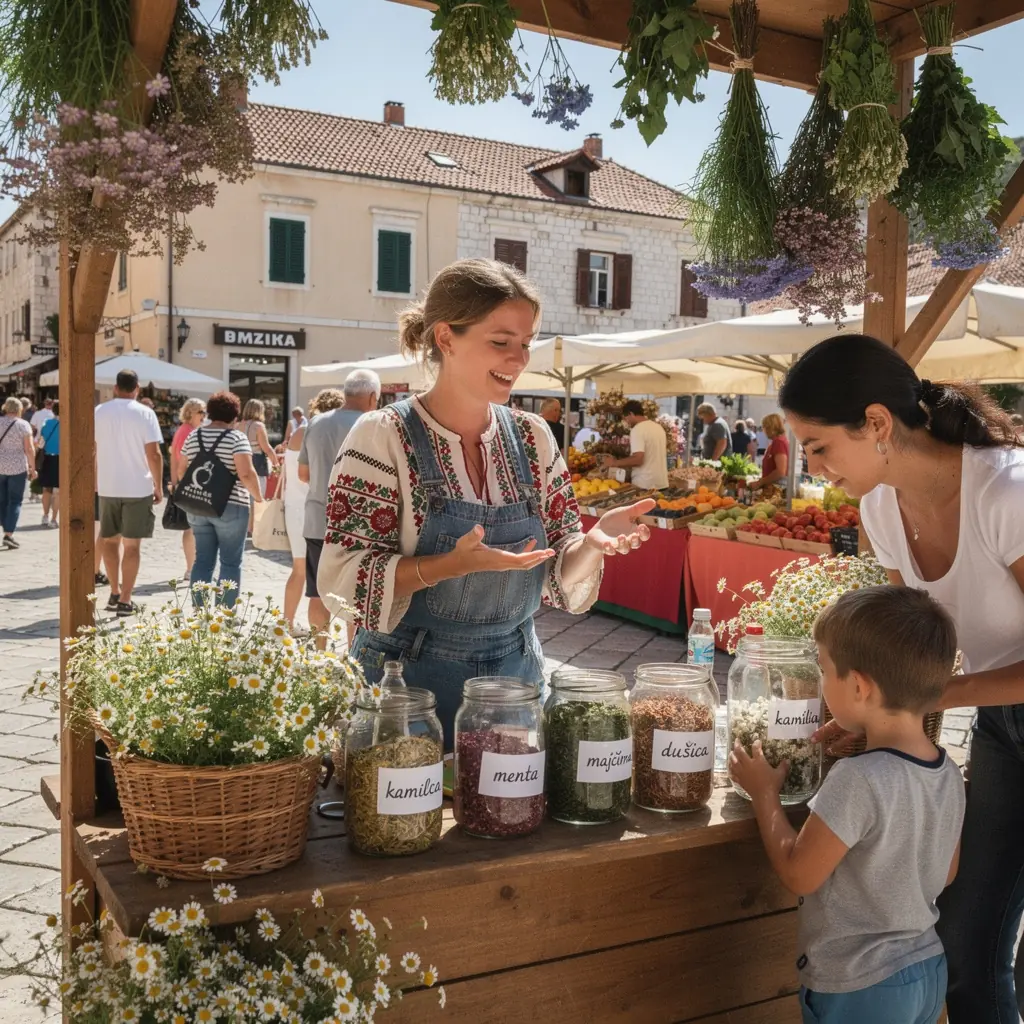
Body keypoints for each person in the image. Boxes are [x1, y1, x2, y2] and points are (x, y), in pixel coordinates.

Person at [778, 333, 1024, 1023]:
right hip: (1003, 724)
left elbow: (934, 682)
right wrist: (875, 720)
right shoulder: (880, 508)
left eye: (819, 446)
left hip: (990, 704)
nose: (813, 466)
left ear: (877, 423)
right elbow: (908, 651)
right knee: (966, 945)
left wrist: (941, 695)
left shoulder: (1007, 493)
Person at [317, 258, 654, 740]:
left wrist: (592, 544)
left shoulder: (534, 438)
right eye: (501, 342)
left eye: (526, 343)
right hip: (404, 686)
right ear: (446, 337)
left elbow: (557, 571)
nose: (519, 360)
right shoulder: (382, 435)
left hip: (514, 682)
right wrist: (447, 566)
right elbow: (343, 577)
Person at [730, 585, 964, 1024]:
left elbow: (799, 874)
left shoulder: (857, 778)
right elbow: (946, 873)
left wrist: (764, 795)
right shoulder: (948, 771)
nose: (820, 683)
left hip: (862, 986)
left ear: (858, 686)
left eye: (822, 669)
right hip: (927, 969)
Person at [299, 375, 378, 644]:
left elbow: (303, 474)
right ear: (372, 397)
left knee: (316, 592)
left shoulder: (316, 422)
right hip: (359, 524)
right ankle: (353, 656)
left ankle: (320, 653)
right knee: (355, 595)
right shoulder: (374, 424)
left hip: (317, 520)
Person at [179, 390, 263, 606]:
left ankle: (200, 612)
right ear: (234, 415)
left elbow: (181, 471)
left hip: (198, 505)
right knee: (230, 563)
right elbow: (246, 474)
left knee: (202, 561)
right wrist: (259, 498)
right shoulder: (236, 438)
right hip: (231, 507)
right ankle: (224, 615)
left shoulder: (194, 436)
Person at [94, 369, 164, 616]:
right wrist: (158, 486)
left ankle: (114, 591)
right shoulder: (145, 413)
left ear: (115, 388)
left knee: (109, 541)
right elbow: (154, 454)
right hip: (137, 486)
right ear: (137, 389)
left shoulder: (99, 411)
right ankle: (126, 599)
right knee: (132, 546)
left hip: (108, 485)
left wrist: (95, 480)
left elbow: (92, 449)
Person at [281, 402, 311, 634]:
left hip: (293, 507)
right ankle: (320, 631)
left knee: (298, 569)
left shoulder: (297, 434)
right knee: (319, 573)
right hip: (313, 508)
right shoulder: (316, 434)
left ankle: (287, 622)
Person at [170, 398, 206, 578]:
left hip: (185, 482)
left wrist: (174, 481)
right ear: (191, 412)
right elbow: (184, 460)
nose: (204, 416)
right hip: (190, 483)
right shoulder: (188, 432)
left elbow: (173, 459)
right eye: (201, 412)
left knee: (191, 527)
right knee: (191, 528)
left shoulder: (184, 430)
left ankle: (192, 567)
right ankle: (191, 568)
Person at [598, 399, 669, 490]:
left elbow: (638, 459)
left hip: (645, 485)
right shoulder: (658, 427)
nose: (626, 422)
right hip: (662, 483)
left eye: (626, 418)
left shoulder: (638, 430)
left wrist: (615, 463)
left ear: (631, 414)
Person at [0, 395, 36, 549]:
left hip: (0, 466)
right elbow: (29, 449)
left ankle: (5, 526)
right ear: (20, 409)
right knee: (15, 501)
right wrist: (33, 468)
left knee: (2, 500)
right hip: (18, 467)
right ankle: (9, 534)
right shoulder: (23, 425)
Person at [239, 399, 279, 530]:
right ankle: (253, 529)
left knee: (242, 499)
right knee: (257, 499)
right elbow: (266, 448)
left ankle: (244, 527)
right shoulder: (258, 426)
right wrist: (276, 463)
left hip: (240, 463)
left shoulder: (238, 425)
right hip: (257, 464)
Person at [751, 413, 790, 493]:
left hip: (777, 490)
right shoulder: (777, 442)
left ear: (770, 428)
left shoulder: (779, 442)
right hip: (772, 489)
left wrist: (760, 482)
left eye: (764, 427)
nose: (763, 430)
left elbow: (780, 471)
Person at [37, 400, 60, 527]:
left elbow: (41, 442)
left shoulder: (47, 423)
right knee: (58, 491)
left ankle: (45, 516)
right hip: (62, 459)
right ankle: (54, 519)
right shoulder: (68, 424)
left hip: (47, 458)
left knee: (47, 489)